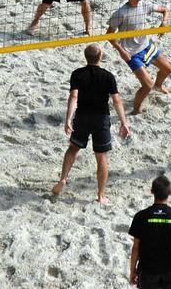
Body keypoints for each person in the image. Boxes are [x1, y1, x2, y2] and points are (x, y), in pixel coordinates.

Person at [51, 44, 130, 202]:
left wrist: (68, 118)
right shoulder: (108, 76)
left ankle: (63, 179)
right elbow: (116, 101)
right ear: (100, 56)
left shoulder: (77, 74)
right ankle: (101, 195)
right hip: (101, 119)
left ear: (85, 57)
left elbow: (73, 97)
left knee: (73, 149)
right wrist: (124, 122)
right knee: (101, 158)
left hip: (82, 117)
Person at [107, 0, 171, 115]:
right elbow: (109, 35)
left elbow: (165, 10)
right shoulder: (120, 13)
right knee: (147, 85)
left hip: (146, 46)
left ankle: (158, 85)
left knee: (168, 69)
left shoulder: (145, 5)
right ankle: (136, 110)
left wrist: (164, 22)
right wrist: (122, 51)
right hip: (131, 53)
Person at [129, 175, 171, 289]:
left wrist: (132, 270)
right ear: (170, 192)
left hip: (148, 270)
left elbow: (135, 248)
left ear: (152, 192)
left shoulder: (141, 216)